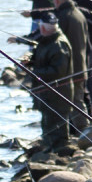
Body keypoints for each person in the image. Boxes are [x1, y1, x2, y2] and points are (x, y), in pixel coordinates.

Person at [26, 12, 74, 152]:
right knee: (47, 120)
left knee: (57, 122)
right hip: (47, 92)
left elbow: (57, 71)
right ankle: (48, 149)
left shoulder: (59, 45)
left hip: (58, 92)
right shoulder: (46, 40)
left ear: (44, 28)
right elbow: (41, 57)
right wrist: (30, 61)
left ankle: (59, 152)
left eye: (41, 26)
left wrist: (34, 73)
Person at [52, 0, 89, 131]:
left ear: (57, 0)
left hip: (71, 67)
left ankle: (82, 130)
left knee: (73, 101)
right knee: (77, 99)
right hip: (81, 64)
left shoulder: (64, 17)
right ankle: (84, 130)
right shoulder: (78, 13)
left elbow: (58, 42)